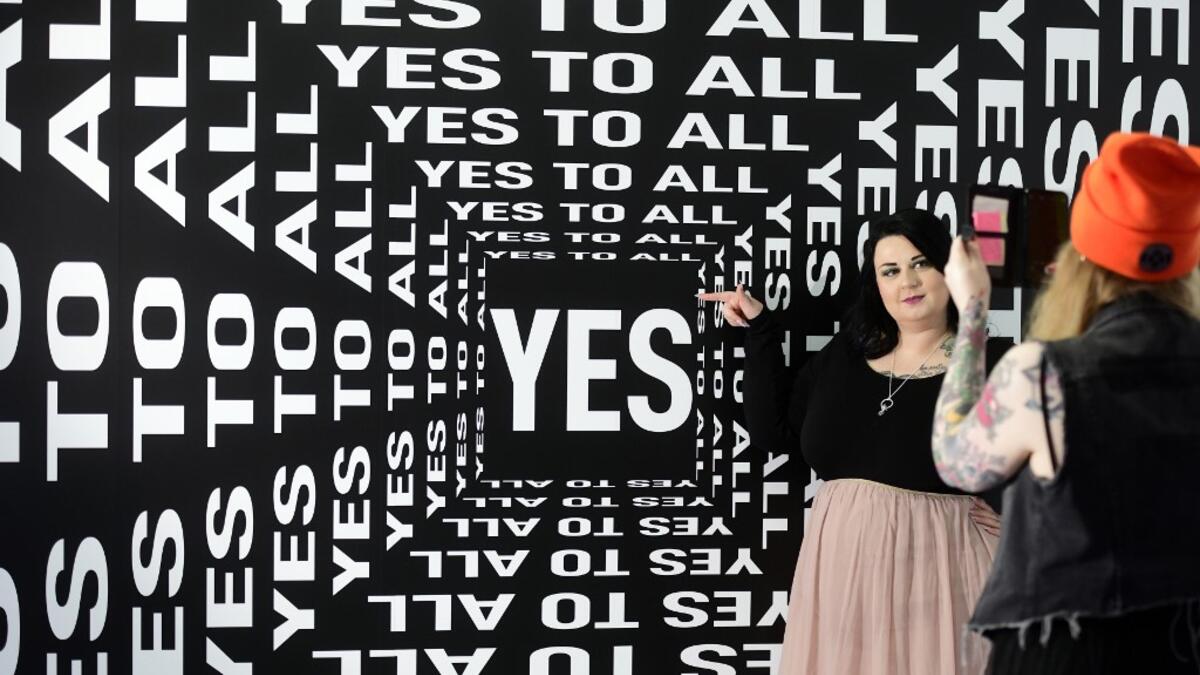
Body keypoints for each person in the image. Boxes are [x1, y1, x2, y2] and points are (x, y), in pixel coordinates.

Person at [930, 131, 1200, 674]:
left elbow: (956, 461)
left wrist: (974, 312)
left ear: (1082, 255)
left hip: (1066, 653)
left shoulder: (1042, 374)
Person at [702, 208, 1009, 674]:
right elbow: (773, 433)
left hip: (941, 584)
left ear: (951, 268)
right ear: (876, 284)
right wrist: (761, 332)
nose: (907, 281)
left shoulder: (990, 364)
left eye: (920, 262)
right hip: (840, 584)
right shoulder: (845, 358)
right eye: (890, 270)